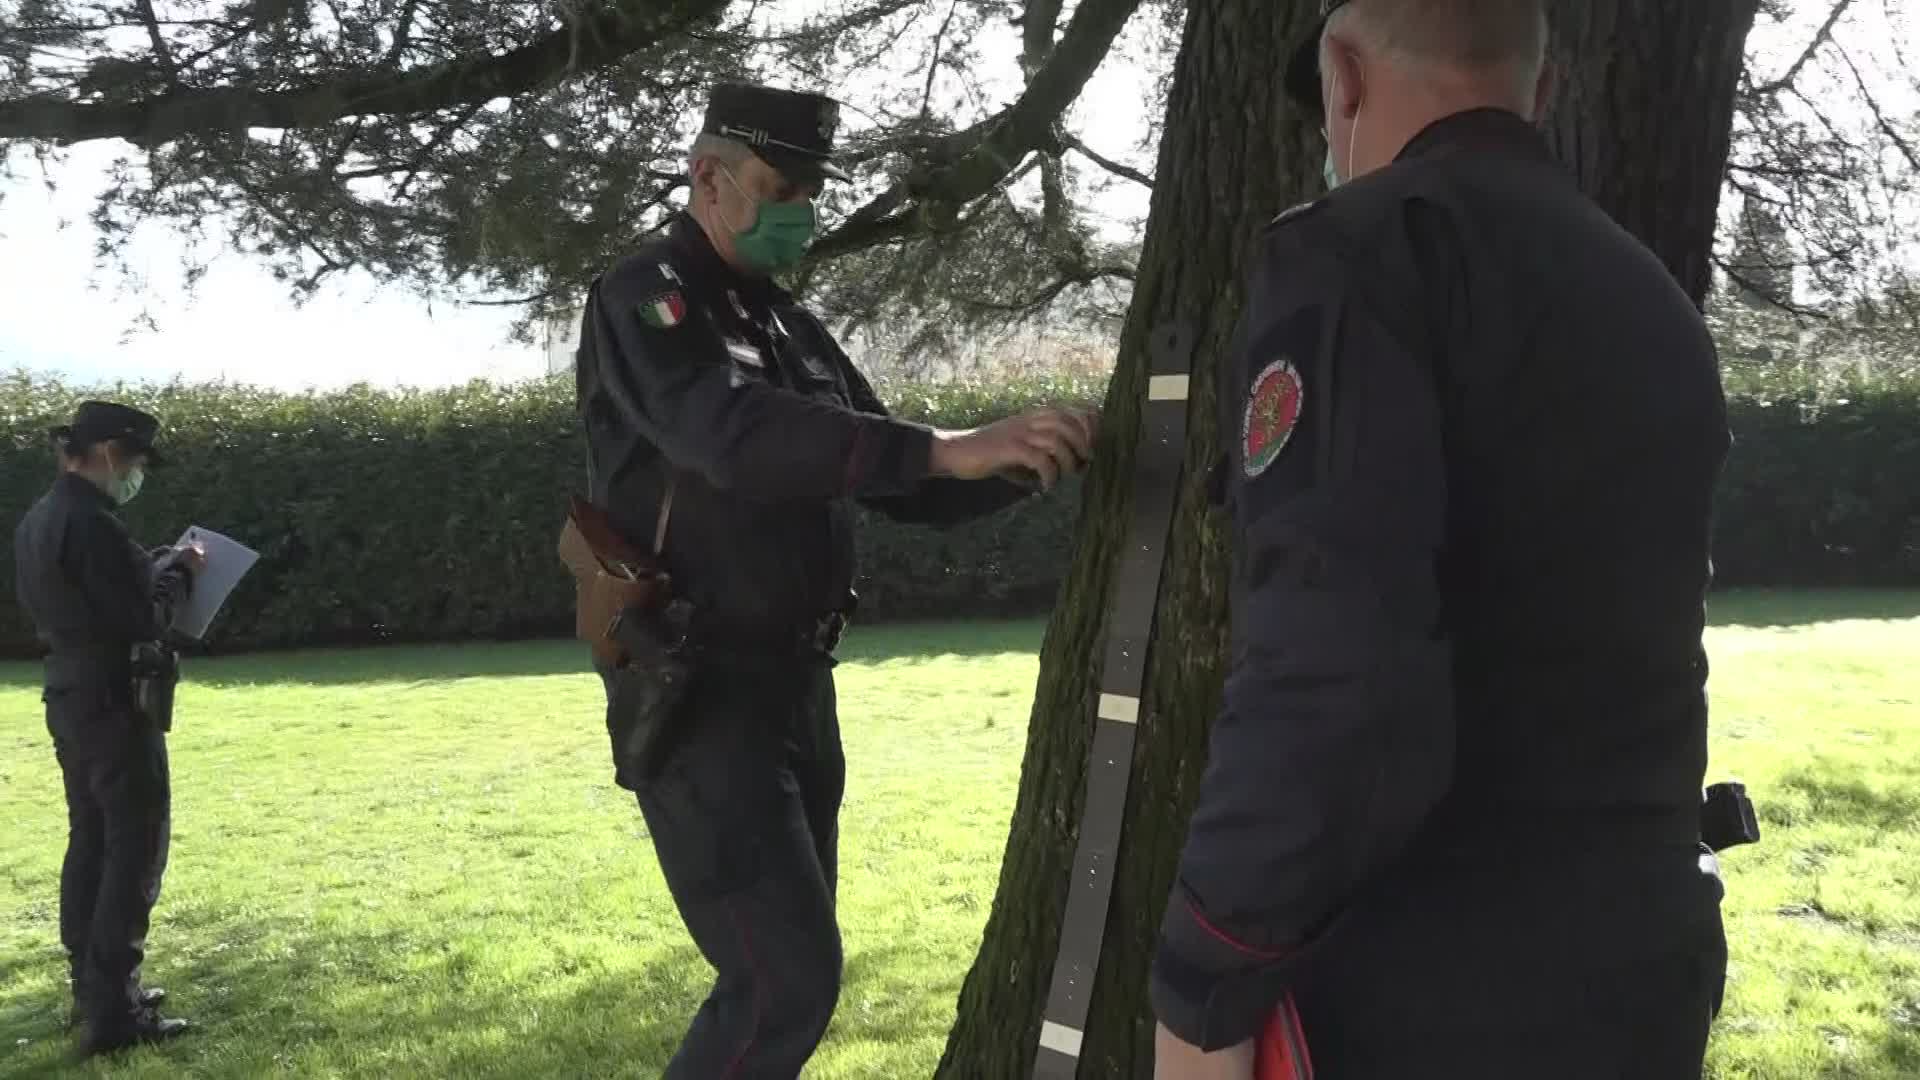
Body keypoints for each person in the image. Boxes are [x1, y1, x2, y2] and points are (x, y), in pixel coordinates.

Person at [1149, 2, 1730, 1077]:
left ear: (1344, 78)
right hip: (1645, 964)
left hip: (1426, 983)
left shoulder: (1361, 257)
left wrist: (1204, 977)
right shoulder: (1654, 301)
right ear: (1540, 90)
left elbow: (1332, 674)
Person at [572, 81, 1096, 1077]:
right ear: (709, 178)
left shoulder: (788, 328)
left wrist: (1036, 454)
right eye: (780, 184)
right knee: (783, 982)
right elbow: (728, 436)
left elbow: (908, 483)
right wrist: (948, 448)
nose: (801, 209)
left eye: (812, 189)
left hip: (798, 693)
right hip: (698, 689)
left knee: (790, 977)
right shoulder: (648, 300)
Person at [13, 400, 205, 1057]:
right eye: (137, 462)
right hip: (115, 701)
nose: (136, 475)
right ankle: (115, 1011)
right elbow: (142, 618)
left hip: (69, 693)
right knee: (133, 847)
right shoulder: (93, 523)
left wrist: (150, 567)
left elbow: (95, 600)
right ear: (109, 454)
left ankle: (92, 988)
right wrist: (179, 573)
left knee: (91, 839)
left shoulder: (41, 518)